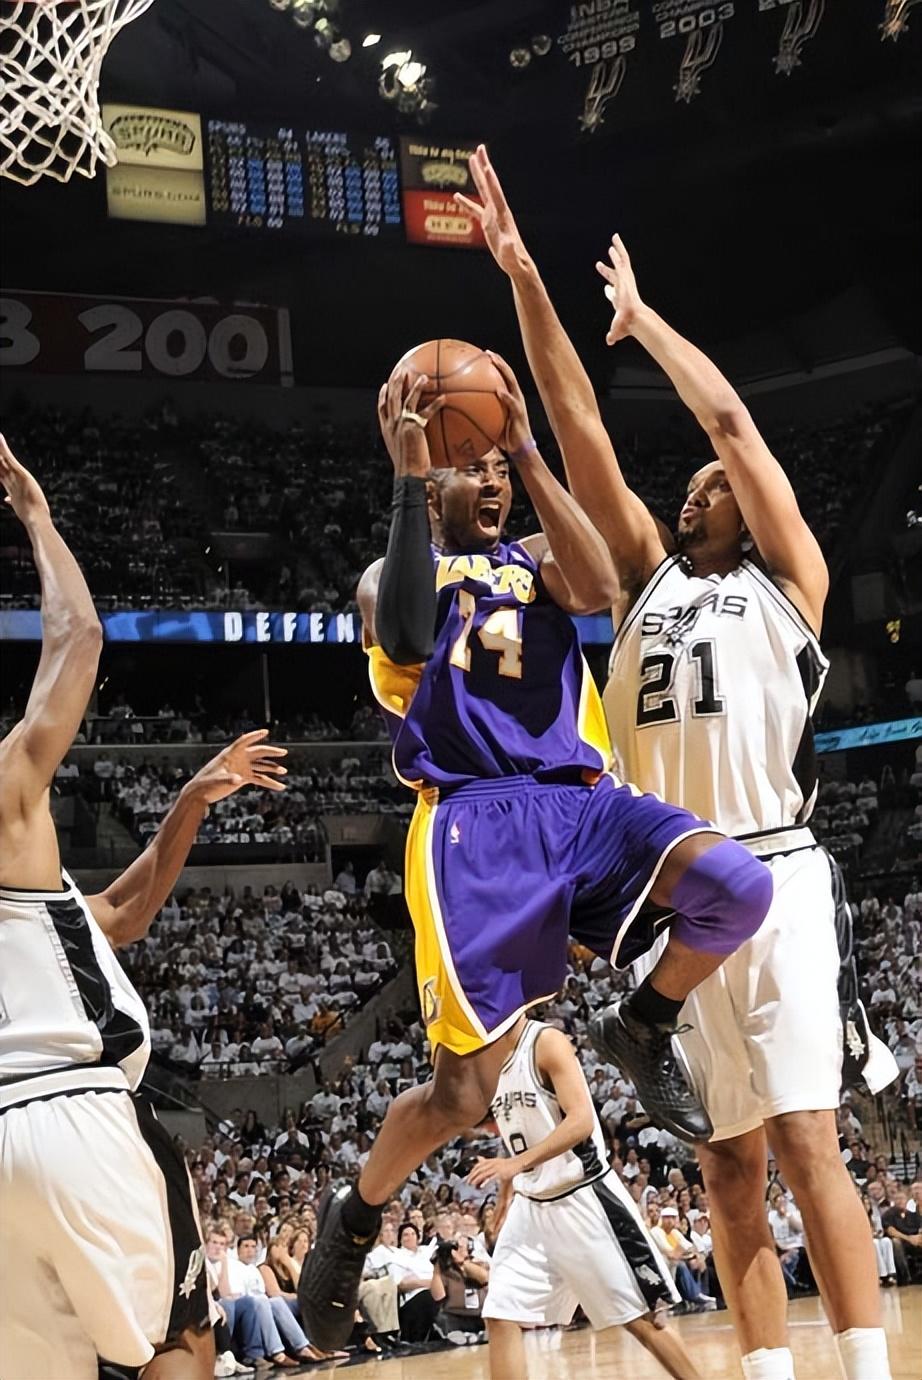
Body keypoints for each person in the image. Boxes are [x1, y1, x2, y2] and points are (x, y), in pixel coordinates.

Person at [459, 143, 898, 1380]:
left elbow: (730, 421)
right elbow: (576, 427)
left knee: (807, 1139)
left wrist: (643, 321)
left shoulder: (792, 586)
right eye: (695, 486)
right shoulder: (642, 581)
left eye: (716, 486)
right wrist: (524, 277)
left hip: (781, 876)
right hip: (676, 887)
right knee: (727, 1160)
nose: (701, 488)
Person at [299, 345, 774, 1349]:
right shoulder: (390, 572)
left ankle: (642, 1022)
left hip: (582, 802)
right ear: (433, 478)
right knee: (463, 1094)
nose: (491, 485)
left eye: (495, 472)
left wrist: (522, 443)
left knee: (736, 887)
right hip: (476, 825)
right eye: (471, 469)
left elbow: (599, 587)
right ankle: (357, 1213)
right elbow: (408, 635)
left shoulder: (534, 560)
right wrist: (410, 475)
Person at [0, 437, 289, 1380]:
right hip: (79, 1113)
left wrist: (191, 801)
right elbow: (79, 636)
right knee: (179, 1346)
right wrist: (38, 519)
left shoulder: (29, 905)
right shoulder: (5, 791)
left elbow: (117, 915)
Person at [466, 1017, 701, 1380]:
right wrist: (505, 1194)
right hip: (531, 1205)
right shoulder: (488, 1058)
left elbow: (580, 1122)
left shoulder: (546, 1042)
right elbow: (518, 1133)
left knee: (643, 1319)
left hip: (583, 1196)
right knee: (500, 1313)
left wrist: (516, 1165)